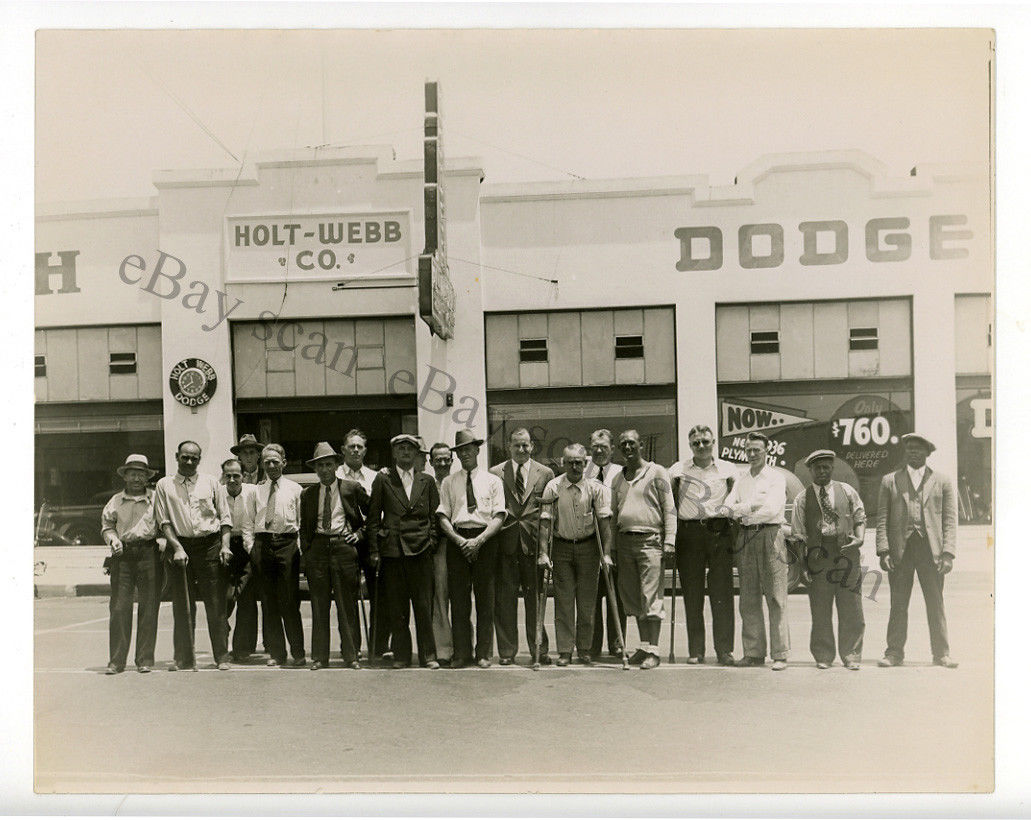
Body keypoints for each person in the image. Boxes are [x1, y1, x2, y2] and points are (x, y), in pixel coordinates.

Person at [876, 433, 958, 668]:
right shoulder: (889, 480)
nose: (912, 452)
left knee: (935, 602)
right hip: (900, 550)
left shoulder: (942, 481)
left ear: (927, 453)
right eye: (909, 448)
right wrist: (884, 551)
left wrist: (948, 553)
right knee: (898, 603)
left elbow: (950, 521)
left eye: (918, 449)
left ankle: (941, 653)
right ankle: (893, 653)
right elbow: (882, 519)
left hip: (931, 550)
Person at [153, 441, 233, 671]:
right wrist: (177, 547)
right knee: (182, 604)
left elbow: (224, 518)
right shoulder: (164, 485)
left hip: (209, 546)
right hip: (180, 546)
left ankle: (222, 656)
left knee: (216, 604)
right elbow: (164, 521)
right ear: (177, 456)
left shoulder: (211, 483)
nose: (189, 462)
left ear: (199, 459)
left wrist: (225, 546)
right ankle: (183, 657)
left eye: (194, 458)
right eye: (185, 457)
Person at [367, 434, 442, 669]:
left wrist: (431, 542)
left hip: (421, 551)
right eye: (401, 449)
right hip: (394, 552)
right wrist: (374, 550)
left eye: (410, 449)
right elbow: (372, 519)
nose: (406, 452)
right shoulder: (383, 479)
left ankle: (428, 656)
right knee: (397, 608)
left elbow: (434, 517)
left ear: (417, 453)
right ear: (394, 454)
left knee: (423, 606)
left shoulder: (427, 481)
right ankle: (401, 655)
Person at [667, 424, 738, 666]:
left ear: (713, 443)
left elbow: (735, 496)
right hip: (689, 533)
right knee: (693, 593)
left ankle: (724, 650)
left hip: (718, 531)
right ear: (690, 445)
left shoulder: (728, 469)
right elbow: (668, 499)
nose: (701, 446)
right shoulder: (678, 469)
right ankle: (696, 650)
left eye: (705, 442)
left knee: (722, 593)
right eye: (696, 443)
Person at [790, 450, 866, 670]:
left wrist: (859, 539)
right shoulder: (802, 498)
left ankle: (851, 654)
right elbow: (797, 535)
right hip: (818, 556)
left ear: (832, 468)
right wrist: (802, 566)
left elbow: (860, 516)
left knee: (851, 605)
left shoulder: (847, 491)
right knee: (821, 608)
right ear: (810, 470)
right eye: (817, 468)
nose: (822, 471)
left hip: (846, 553)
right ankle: (823, 655)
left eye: (826, 467)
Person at [538, 443, 613, 666]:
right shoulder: (553, 486)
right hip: (561, 547)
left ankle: (585, 648)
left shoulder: (595, 488)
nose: (574, 466)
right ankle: (564, 650)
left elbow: (604, 522)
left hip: (589, 547)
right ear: (563, 462)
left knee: (587, 602)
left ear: (585, 463)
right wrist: (543, 552)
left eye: (578, 462)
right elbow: (545, 522)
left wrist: (606, 554)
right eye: (569, 462)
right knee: (564, 602)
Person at [437, 429, 506, 668]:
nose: (465, 454)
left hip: (485, 540)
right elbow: (443, 516)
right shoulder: (449, 482)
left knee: (486, 599)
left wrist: (479, 540)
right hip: (458, 540)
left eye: (469, 449)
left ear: (477, 450)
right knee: (459, 601)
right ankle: (462, 654)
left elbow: (498, 516)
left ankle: (484, 653)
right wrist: (459, 540)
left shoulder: (493, 481)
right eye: (460, 451)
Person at [723, 432, 790, 671]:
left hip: (771, 535)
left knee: (775, 595)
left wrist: (744, 510)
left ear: (766, 451)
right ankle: (753, 652)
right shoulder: (742, 479)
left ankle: (780, 654)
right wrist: (748, 507)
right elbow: (728, 507)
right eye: (749, 450)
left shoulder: (775, 477)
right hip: (745, 537)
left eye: (757, 450)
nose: (752, 455)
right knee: (748, 597)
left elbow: (772, 510)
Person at [610, 429, 677, 669]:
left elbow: (669, 508)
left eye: (631, 443)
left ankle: (654, 651)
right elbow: (614, 514)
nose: (627, 448)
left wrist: (670, 540)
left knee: (651, 596)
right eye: (623, 444)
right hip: (624, 542)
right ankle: (644, 645)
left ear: (640, 444)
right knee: (634, 597)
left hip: (650, 541)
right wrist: (611, 549)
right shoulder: (618, 478)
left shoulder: (657, 471)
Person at [299, 442, 368, 670]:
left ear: (336, 465)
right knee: (319, 606)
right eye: (320, 466)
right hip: (318, 549)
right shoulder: (308, 494)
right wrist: (307, 551)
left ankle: (351, 655)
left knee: (346, 604)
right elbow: (304, 527)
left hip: (343, 548)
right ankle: (319, 657)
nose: (325, 470)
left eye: (328, 464)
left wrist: (359, 534)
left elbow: (374, 516)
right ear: (315, 469)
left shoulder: (351, 488)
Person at [489, 428, 555, 665]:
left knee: (535, 600)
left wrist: (547, 549)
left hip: (534, 545)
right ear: (509, 446)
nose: (521, 449)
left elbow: (548, 512)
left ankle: (540, 648)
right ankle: (507, 652)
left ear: (532, 447)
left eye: (525, 445)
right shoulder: (496, 472)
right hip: (505, 544)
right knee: (505, 601)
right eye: (517, 445)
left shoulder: (545, 473)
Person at [100, 454, 161, 674]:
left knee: (149, 606)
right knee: (119, 607)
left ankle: (144, 659)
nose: (137, 478)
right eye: (132, 473)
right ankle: (116, 661)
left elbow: (165, 525)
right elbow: (107, 525)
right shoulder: (115, 501)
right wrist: (113, 539)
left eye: (141, 474)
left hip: (149, 553)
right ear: (125, 476)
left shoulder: (156, 499)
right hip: (122, 555)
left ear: (147, 477)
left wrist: (162, 542)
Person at [253, 444, 306, 668]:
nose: (272, 466)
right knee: (269, 602)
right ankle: (277, 652)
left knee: (289, 600)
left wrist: (300, 548)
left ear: (283, 462)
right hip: (264, 544)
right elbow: (248, 522)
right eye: (267, 462)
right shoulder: (256, 490)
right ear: (262, 464)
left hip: (287, 543)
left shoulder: (295, 489)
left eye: (276, 461)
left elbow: (302, 522)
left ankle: (298, 652)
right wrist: (251, 547)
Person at [336, 428, 382, 658]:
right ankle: (352, 648)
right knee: (348, 598)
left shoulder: (376, 478)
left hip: (369, 542)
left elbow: (378, 514)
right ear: (343, 449)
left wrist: (362, 534)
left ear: (365, 450)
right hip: (344, 543)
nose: (355, 450)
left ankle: (377, 647)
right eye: (351, 446)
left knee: (377, 595)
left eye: (359, 446)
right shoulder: (334, 476)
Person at [584, 429, 626, 660]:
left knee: (616, 596)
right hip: (590, 543)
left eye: (604, 447)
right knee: (592, 596)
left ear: (612, 449)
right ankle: (592, 644)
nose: (599, 451)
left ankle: (617, 642)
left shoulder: (622, 473)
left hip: (616, 543)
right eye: (595, 447)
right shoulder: (583, 471)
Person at [221, 458, 259, 663]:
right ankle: (221, 631)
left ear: (243, 476)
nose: (233, 479)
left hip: (248, 546)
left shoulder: (253, 492)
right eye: (229, 475)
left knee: (246, 597)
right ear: (223, 476)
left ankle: (242, 648)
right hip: (225, 547)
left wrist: (253, 550)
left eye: (237, 475)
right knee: (225, 596)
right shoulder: (217, 494)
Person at [428, 442, 455, 666]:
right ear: (431, 462)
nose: (443, 463)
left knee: (462, 598)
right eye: (438, 460)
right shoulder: (427, 484)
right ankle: (443, 649)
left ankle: (464, 646)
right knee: (439, 598)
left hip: (460, 544)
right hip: (438, 547)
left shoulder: (457, 482)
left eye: (447, 459)